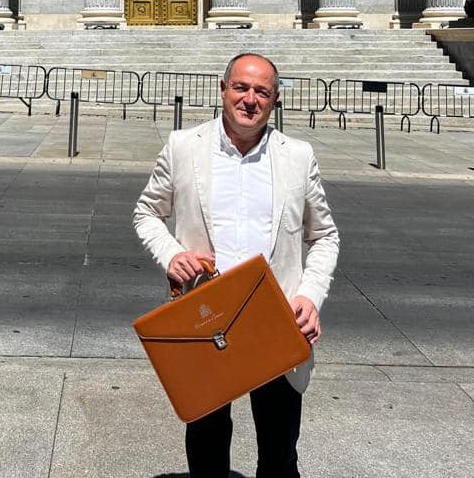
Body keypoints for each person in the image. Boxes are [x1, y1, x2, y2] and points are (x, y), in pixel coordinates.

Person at [133, 53, 339, 478]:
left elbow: (324, 235)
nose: (250, 99)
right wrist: (173, 255)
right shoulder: (184, 146)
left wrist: (309, 296)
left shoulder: (298, 156)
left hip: (275, 322)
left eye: (262, 91)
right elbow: (147, 213)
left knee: (279, 454)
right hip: (207, 321)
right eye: (241, 88)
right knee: (207, 447)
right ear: (223, 89)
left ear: (275, 99)